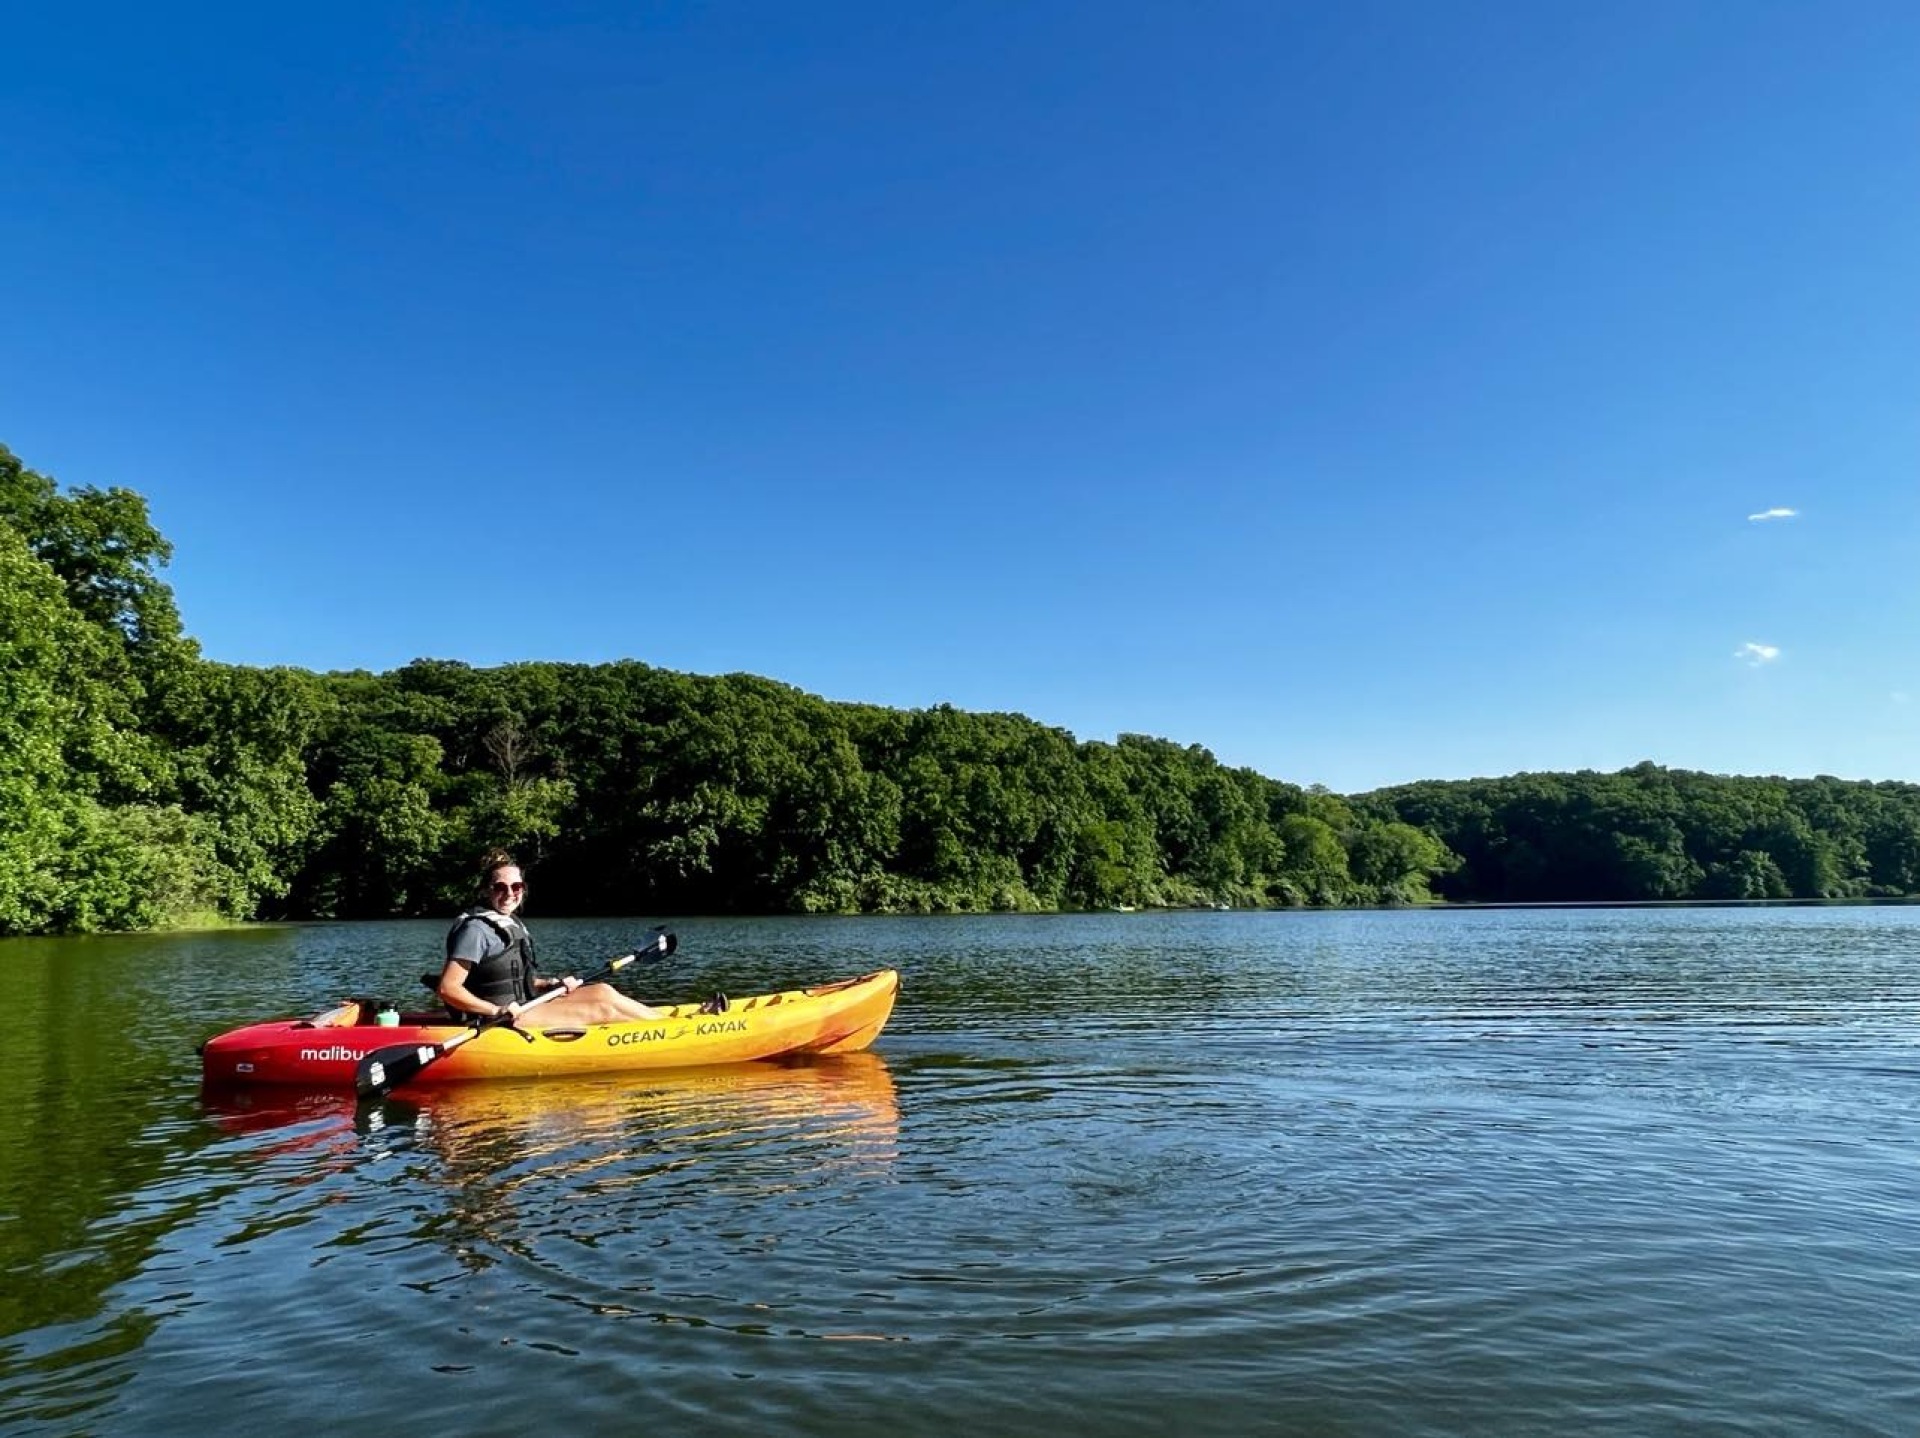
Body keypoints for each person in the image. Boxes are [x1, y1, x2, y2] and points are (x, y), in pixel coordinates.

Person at [438, 850, 664, 1027]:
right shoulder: (475, 931)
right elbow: (448, 989)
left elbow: (512, 981)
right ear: (487, 890)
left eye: (516, 887)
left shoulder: (511, 923)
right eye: (500, 887)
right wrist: (495, 1011)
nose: (509, 894)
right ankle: (674, 1034)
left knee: (602, 991)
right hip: (496, 1018)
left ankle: (665, 1023)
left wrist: (549, 984)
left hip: (524, 1005)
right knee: (601, 1010)